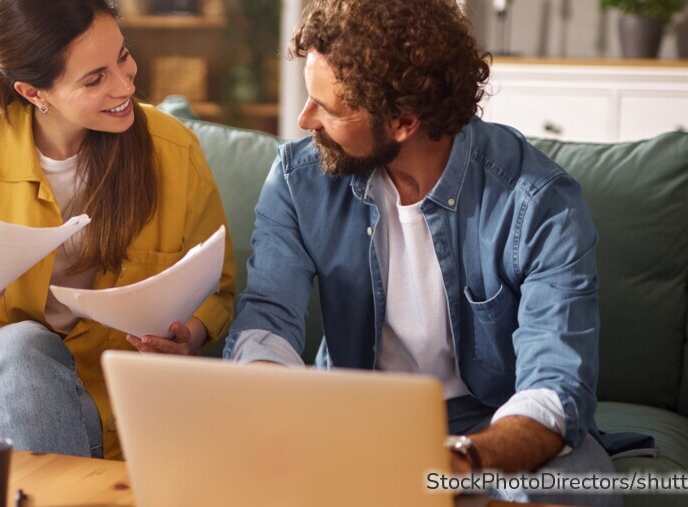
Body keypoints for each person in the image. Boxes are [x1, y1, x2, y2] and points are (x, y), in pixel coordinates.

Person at [223, 0, 622, 504]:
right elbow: (267, 318)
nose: (306, 120)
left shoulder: (539, 202)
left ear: (403, 122)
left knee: (580, 493)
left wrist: (455, 460)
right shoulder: (298, 180)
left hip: (490, 422)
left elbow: (555, 386)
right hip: (349, 415)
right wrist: (282, 408)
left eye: (328, 107)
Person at [0, 0, 236, 461]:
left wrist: (187, 334)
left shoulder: (174, 150)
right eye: (95, 79)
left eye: (123, 56)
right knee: (24, 346)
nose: (126, 82)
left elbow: (220, 290)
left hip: (113, 391)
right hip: (0, 371)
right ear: (34, 93)